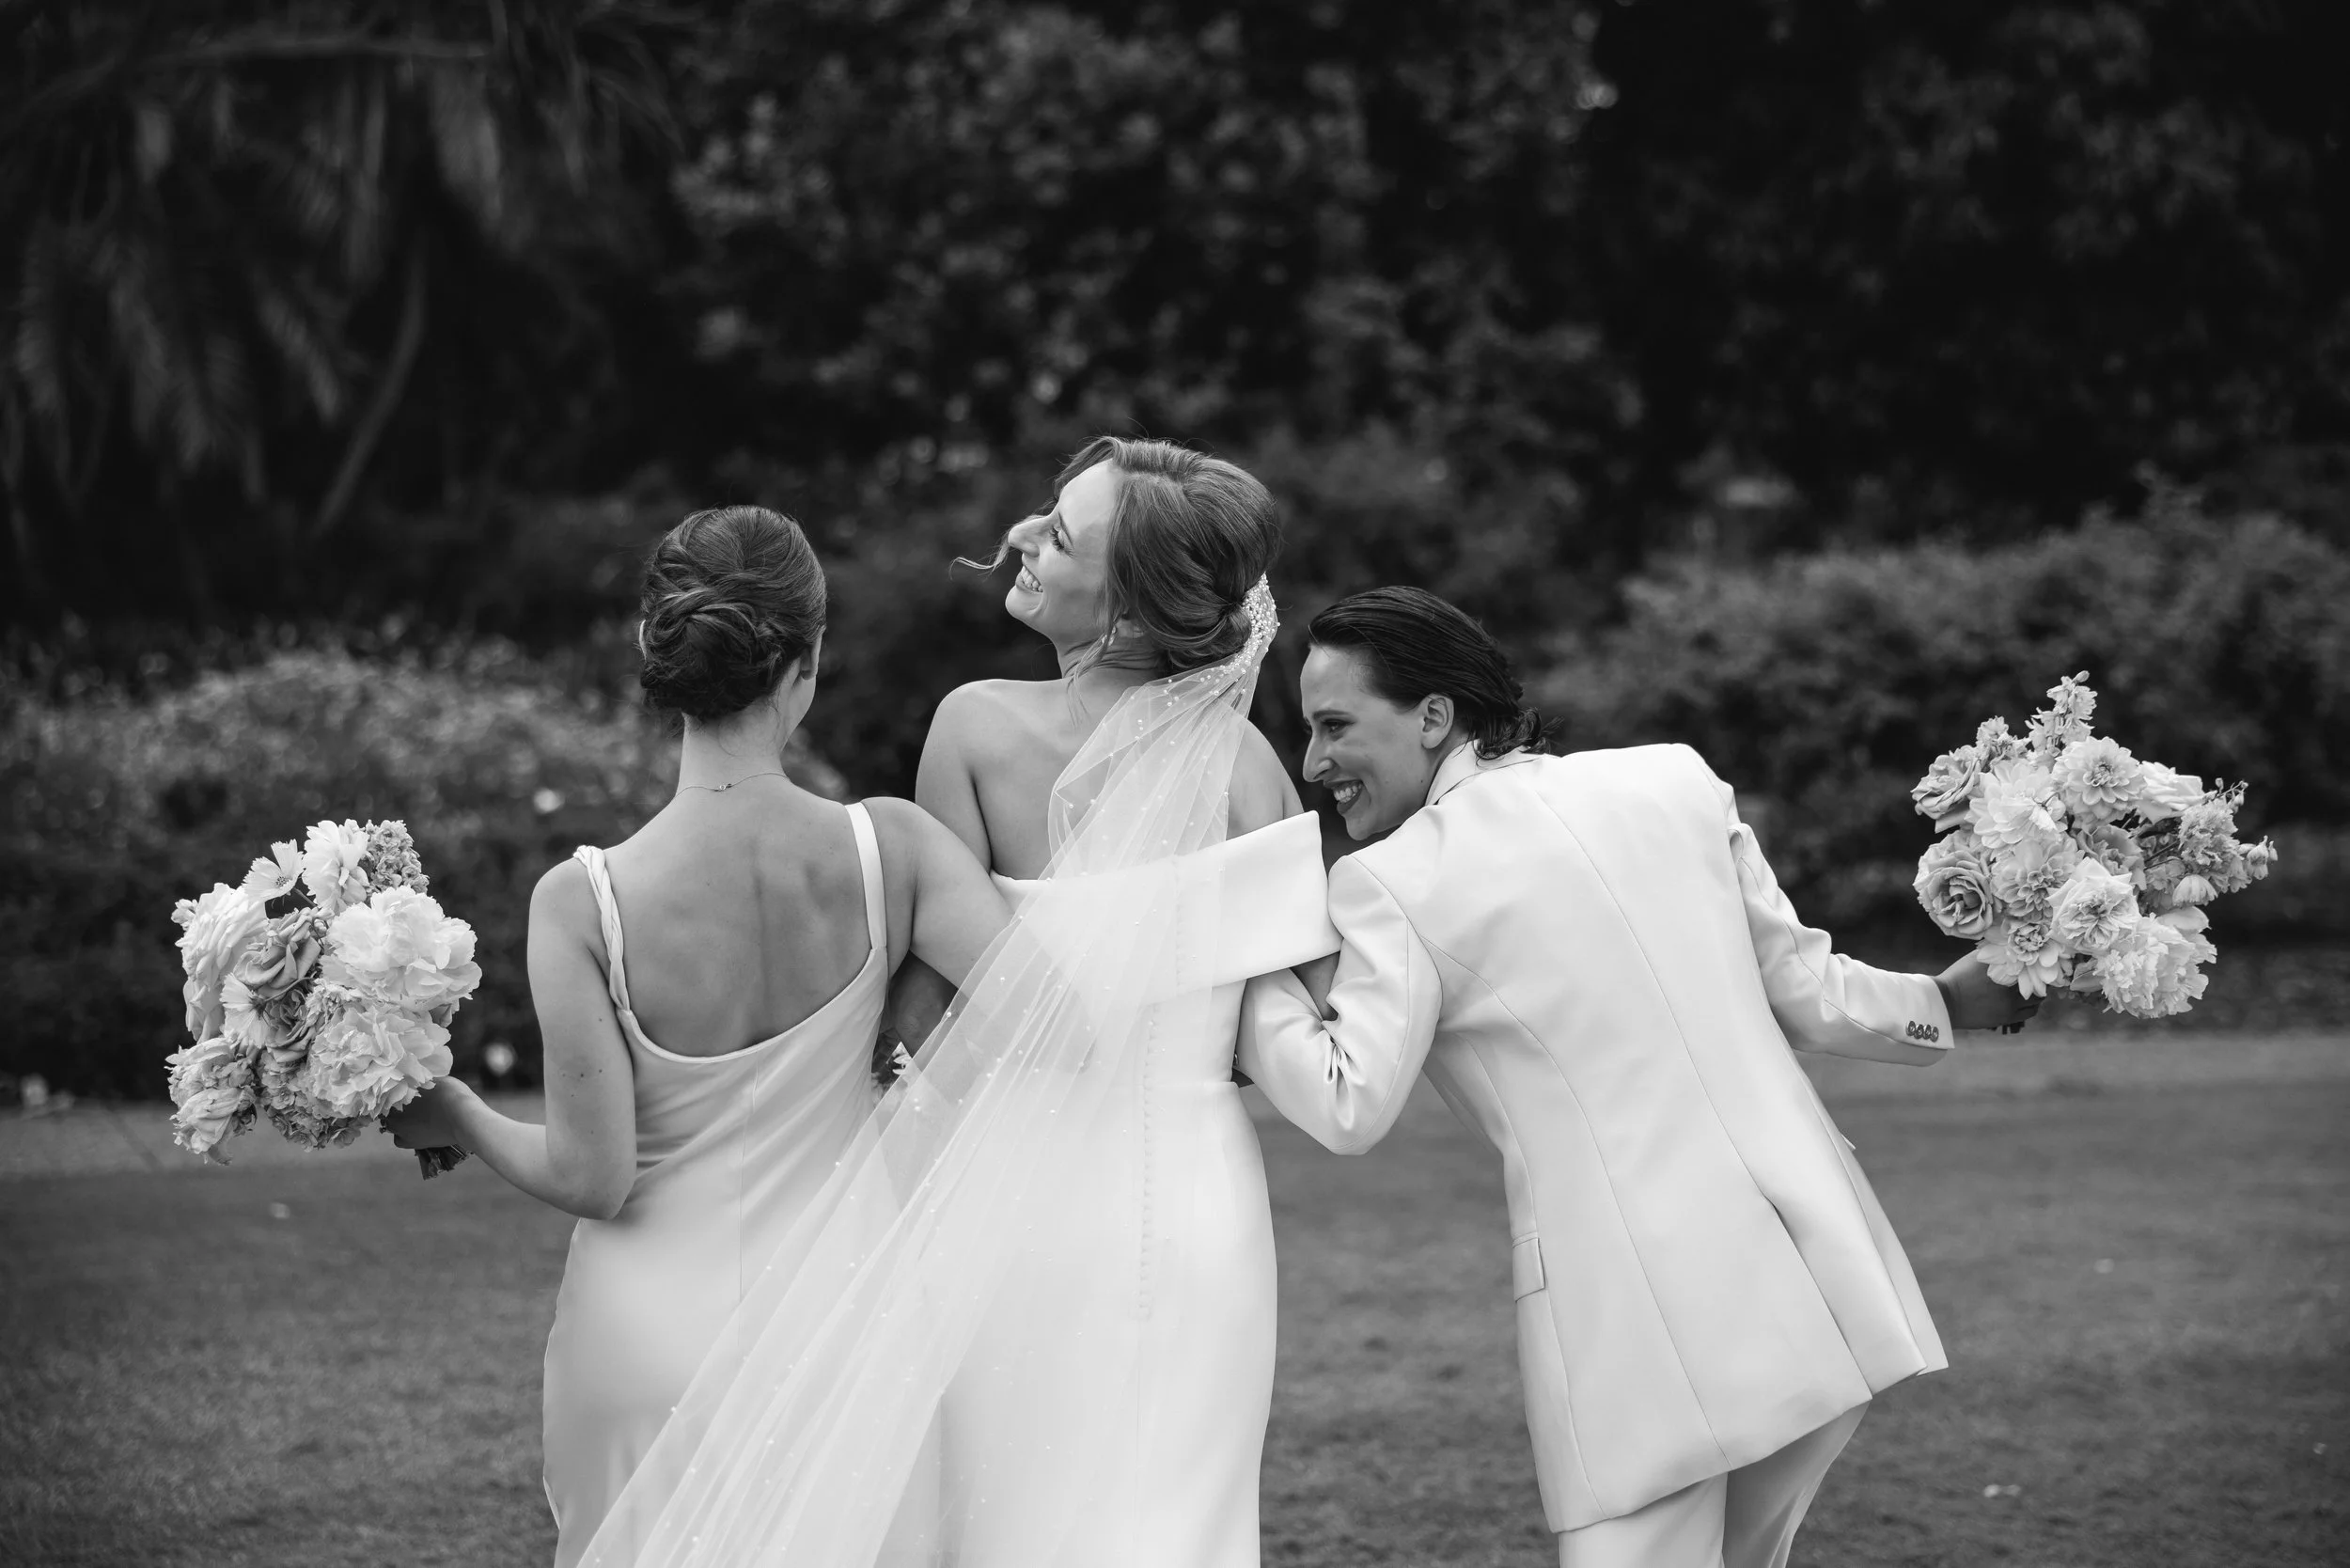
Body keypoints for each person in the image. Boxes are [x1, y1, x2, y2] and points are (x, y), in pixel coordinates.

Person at [566, 440, 1338, 1568]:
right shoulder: (1251, 767)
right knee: (1182, 1517)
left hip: (1012, 1200)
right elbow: (1300, 1009)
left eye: (1061, 535)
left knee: (1011, 1519)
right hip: (1199, 1211)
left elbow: (913, 1019)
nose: (1023, 536)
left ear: (1126, 611)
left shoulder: (974, 725)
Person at [1238, 586, 2040, 1568]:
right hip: (1811, 1270)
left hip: (1630, 1331)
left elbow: (1343, 1101)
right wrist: (1946, 1003)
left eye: (1333, 726)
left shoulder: (1390, 882)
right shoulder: (1672, 782)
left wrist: (1241, 962)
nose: (1314, 764)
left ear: (1435, 716)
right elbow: (1804, 989)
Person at [383, 506, 1010, 1568]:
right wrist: (908, 996)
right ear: (809, 661)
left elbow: (594, 1175)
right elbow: (1058, 1018)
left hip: (647, 1349)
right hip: (849, 1332)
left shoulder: (582, 902)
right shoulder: (894, 850)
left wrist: (458, 1112)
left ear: (655, 655)